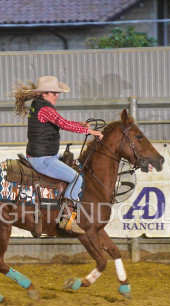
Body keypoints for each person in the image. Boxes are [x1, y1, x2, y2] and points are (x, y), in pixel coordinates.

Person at [10, 75, 103, 234]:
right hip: (43, 159)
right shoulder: (45, 109)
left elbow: (61, 121)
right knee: (77, 178)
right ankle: (67, 218)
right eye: (54, 93)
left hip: (42, 155)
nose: (57, 96)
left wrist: (79, 124)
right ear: (44, 94)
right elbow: (63, 124)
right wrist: (91, 132)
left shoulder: (39, 106)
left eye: (57, 92)